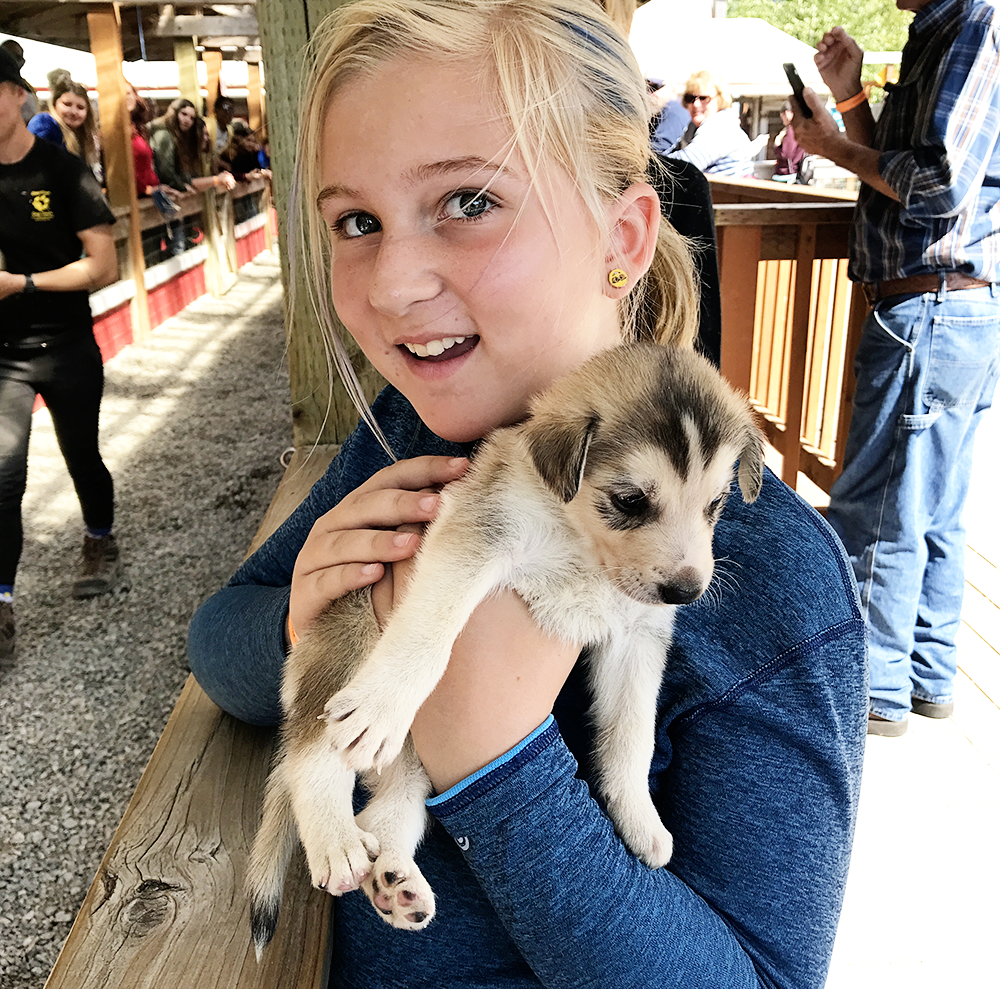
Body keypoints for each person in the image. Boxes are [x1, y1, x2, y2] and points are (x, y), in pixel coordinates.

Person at [187, 0, 867, 985]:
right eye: (356, 221)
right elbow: (217, 640)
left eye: (468, 200)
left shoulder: (772, 580)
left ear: (624, 234)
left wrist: (495, 759)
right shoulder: (418, 429)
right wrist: (301, 621)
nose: (390, 284)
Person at [791, 0, 1000, 736]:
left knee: (878, 513)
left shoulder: (977, 21)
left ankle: (868, 694)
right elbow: (902, 178)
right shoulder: (941, 25)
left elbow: (939, 189)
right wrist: (849, 99)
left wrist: (830, 144)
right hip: (946, 307)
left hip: (932, 306)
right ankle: (925, 676)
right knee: (932, 507)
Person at [0, 47, 121, 661]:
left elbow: (103, 265)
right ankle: (1, 601)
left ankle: (100, 535)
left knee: (81, 455)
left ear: (17, 95)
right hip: (4, 354)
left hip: (67, 343)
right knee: (2, 471)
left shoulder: (63, 171)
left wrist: (22, 284)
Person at [149, 98, 235, 254]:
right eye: (184, 114)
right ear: (174, 113)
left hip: (171, 199)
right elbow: (166, 172)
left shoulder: (179, 139)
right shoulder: (164, 135)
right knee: (174, 244)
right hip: (160, 196)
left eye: (191, 117)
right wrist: (183, 186)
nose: (187, 120)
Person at [666, 70, 752, 177]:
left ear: (720, 99)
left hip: (726, 191)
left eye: (703, 98)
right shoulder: (695, 128)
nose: (696, 104)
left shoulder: (721, 126)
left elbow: (684, 166)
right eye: (690, 98)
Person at [28, 72, 101, 177]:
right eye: (67, 104)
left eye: (80, 107)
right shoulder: (44, 124)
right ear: (54, 103)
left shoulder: (83, 135)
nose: (73, 111)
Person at [773, 100, 806, 180]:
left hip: (788, 174)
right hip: (798, 173)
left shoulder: (791, 130)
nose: (782, 120)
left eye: (782, 116)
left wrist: (777, 144)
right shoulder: (802, 128)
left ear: (787, 113)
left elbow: (786, 155)